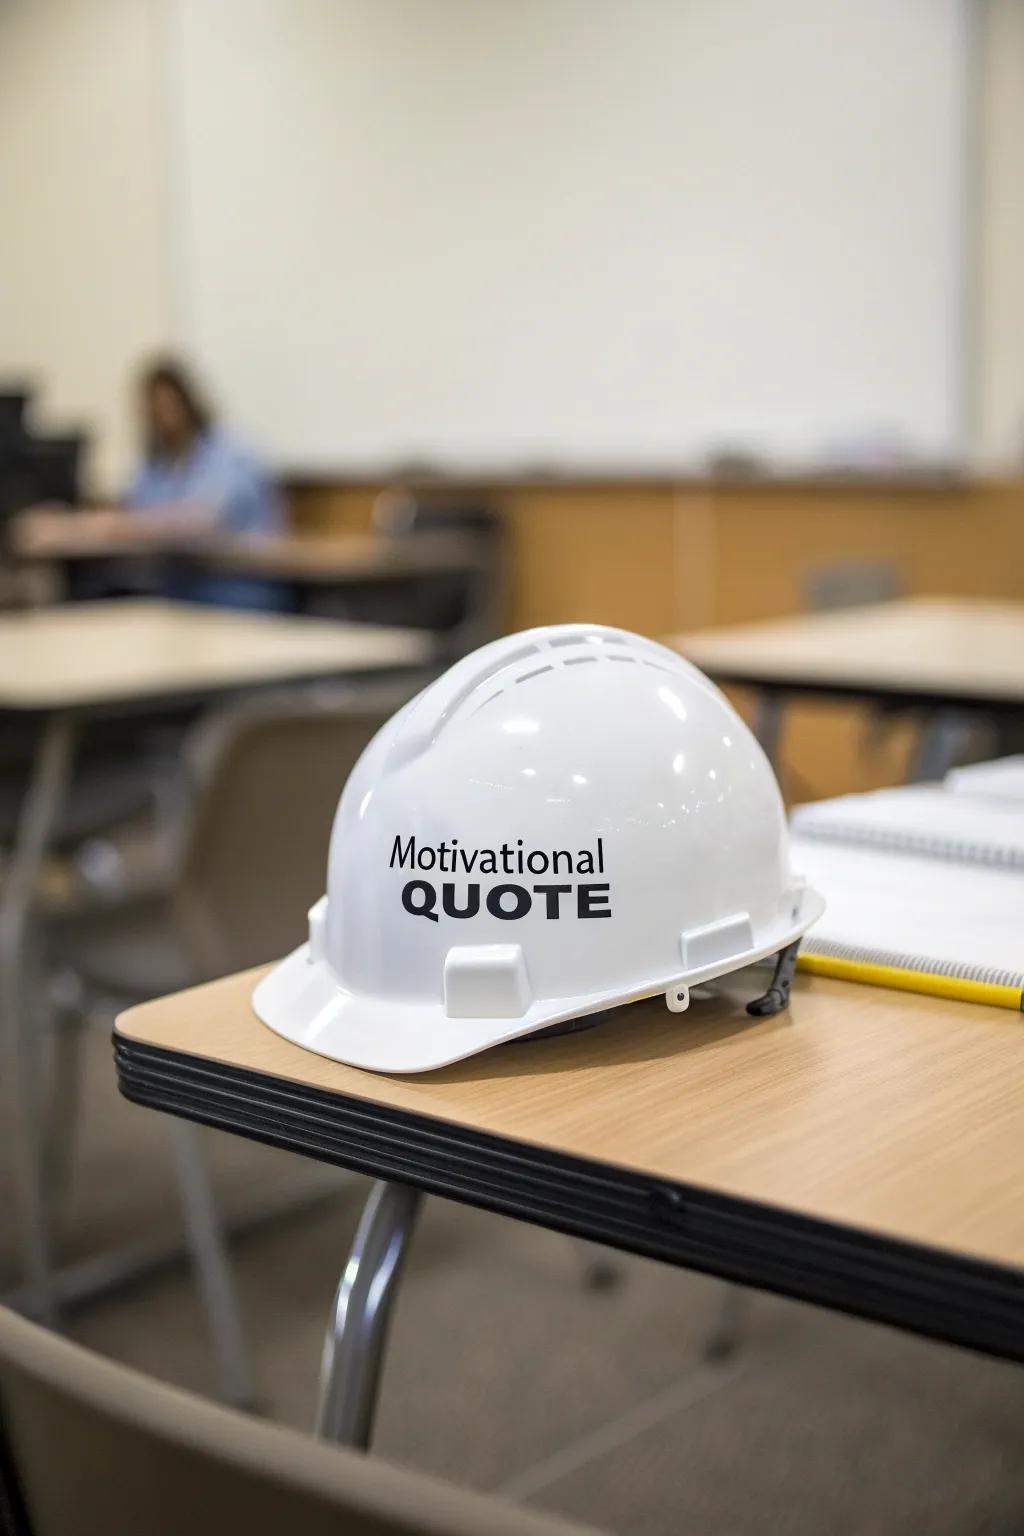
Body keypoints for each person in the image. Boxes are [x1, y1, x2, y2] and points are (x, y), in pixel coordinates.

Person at [125, 358, 286, 609]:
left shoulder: (229, 452)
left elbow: (205, 520)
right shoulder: (157, 462)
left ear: (188, 403)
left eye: (169, 404)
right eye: (155, 408)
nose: (163, 415)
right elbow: (132, 511)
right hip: (181, 587)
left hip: (239, 586)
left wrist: (134, 524)